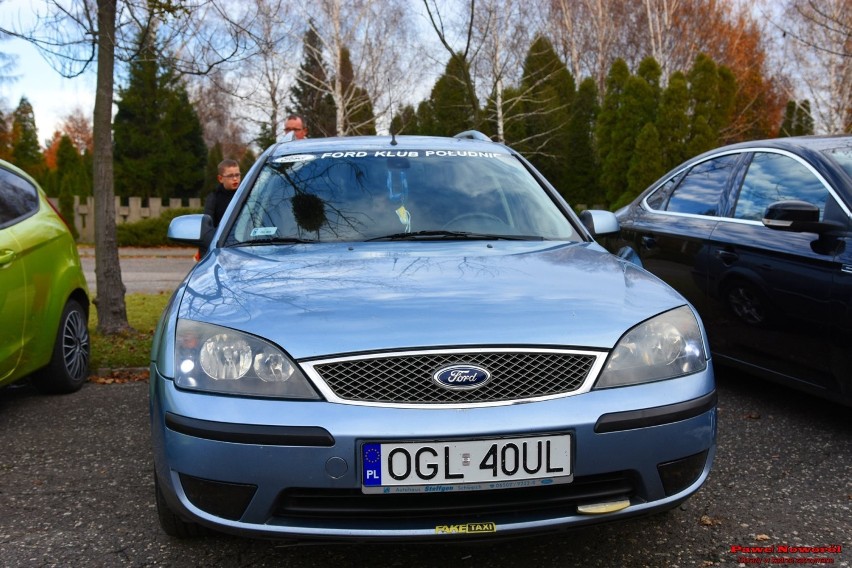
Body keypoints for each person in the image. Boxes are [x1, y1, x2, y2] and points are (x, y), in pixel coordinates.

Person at [196, 159, 241, 260]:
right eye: (230, 176)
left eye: (237, 175)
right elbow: (207, 230)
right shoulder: (213, 199)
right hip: (221, 249)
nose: (235, 179)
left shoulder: (247, 196)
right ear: (220, 178)